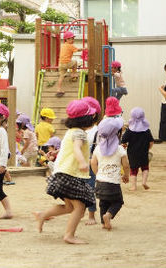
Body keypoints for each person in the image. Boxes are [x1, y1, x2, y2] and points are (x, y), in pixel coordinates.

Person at [34, 100, 96, 244]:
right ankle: (69, 235)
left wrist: (55, 152)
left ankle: (43, 215)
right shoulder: (80, 134)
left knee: (69, 207)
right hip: (70, 174)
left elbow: (66, 149)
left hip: (62, 173)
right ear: (85, 119)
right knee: (79, 208)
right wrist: (81, 162)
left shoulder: (71, 131)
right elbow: (76, 148)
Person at [91, 117, 130, 231]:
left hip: (100, 182)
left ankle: (103, 223)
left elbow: (93, 162)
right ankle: (108, 215)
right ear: (118, 134)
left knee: (103, 202)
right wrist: (126, 175)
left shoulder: (98, 148)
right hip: (113, 183)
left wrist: (98, 174)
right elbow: (126, 165)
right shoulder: (119, 149)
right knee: (118, 201)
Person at [121, 107, 154, 191]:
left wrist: (124, 145)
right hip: (144, 152)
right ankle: (144, 182)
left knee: (133, 170)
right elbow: (151, 142)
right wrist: (148, 148)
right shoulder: (147, 130)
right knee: (145, 167)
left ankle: (133, 186)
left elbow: (123, 140)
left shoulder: (130, 130)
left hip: (132, 153)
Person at [81, 96, 101, 226]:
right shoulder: (77, 130)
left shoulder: (97, 131)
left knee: (89, 189)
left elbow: (99, 149)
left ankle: (91, 214)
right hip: (77, 164)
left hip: (90, 163)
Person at [56, 31, 82, 97]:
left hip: (61, 64)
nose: (73, 40)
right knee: (75, 62)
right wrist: (84, 49)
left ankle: (58, 89)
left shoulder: (63, 45)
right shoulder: (70, 46)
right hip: (67, 63)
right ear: (67, 39)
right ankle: (73, 74)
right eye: (71, 39)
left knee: (61, 76)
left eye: (73, 39)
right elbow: (78, 50)